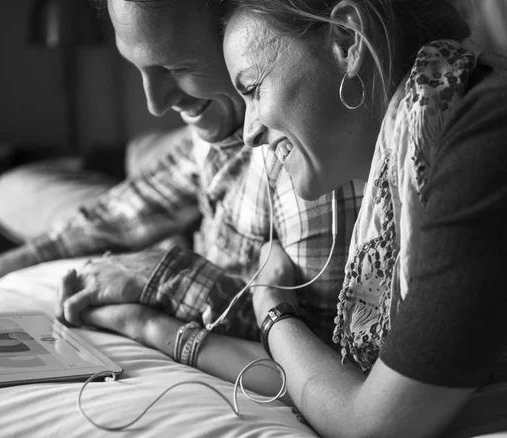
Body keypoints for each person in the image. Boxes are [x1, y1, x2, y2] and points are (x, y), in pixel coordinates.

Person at [68, 0, 507, 435]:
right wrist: (145, 324)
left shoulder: (481, 146)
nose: (249, 131)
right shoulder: (411, 161)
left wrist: (273, 308)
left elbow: (371, 424)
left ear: (347, 41)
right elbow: (331, 385)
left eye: (254, 88)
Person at [0, 0, 363, 347]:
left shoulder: (310, 161)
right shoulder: (215, 123)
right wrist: (26, 257)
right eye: (138, 68)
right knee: (11, 191)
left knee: (23, 194)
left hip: (193, 219)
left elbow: (312, 346)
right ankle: (131, 168)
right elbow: (148, 197)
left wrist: (167, 277)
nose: (153, 101)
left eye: (175, 67)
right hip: (171, 173)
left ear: (242, 30)